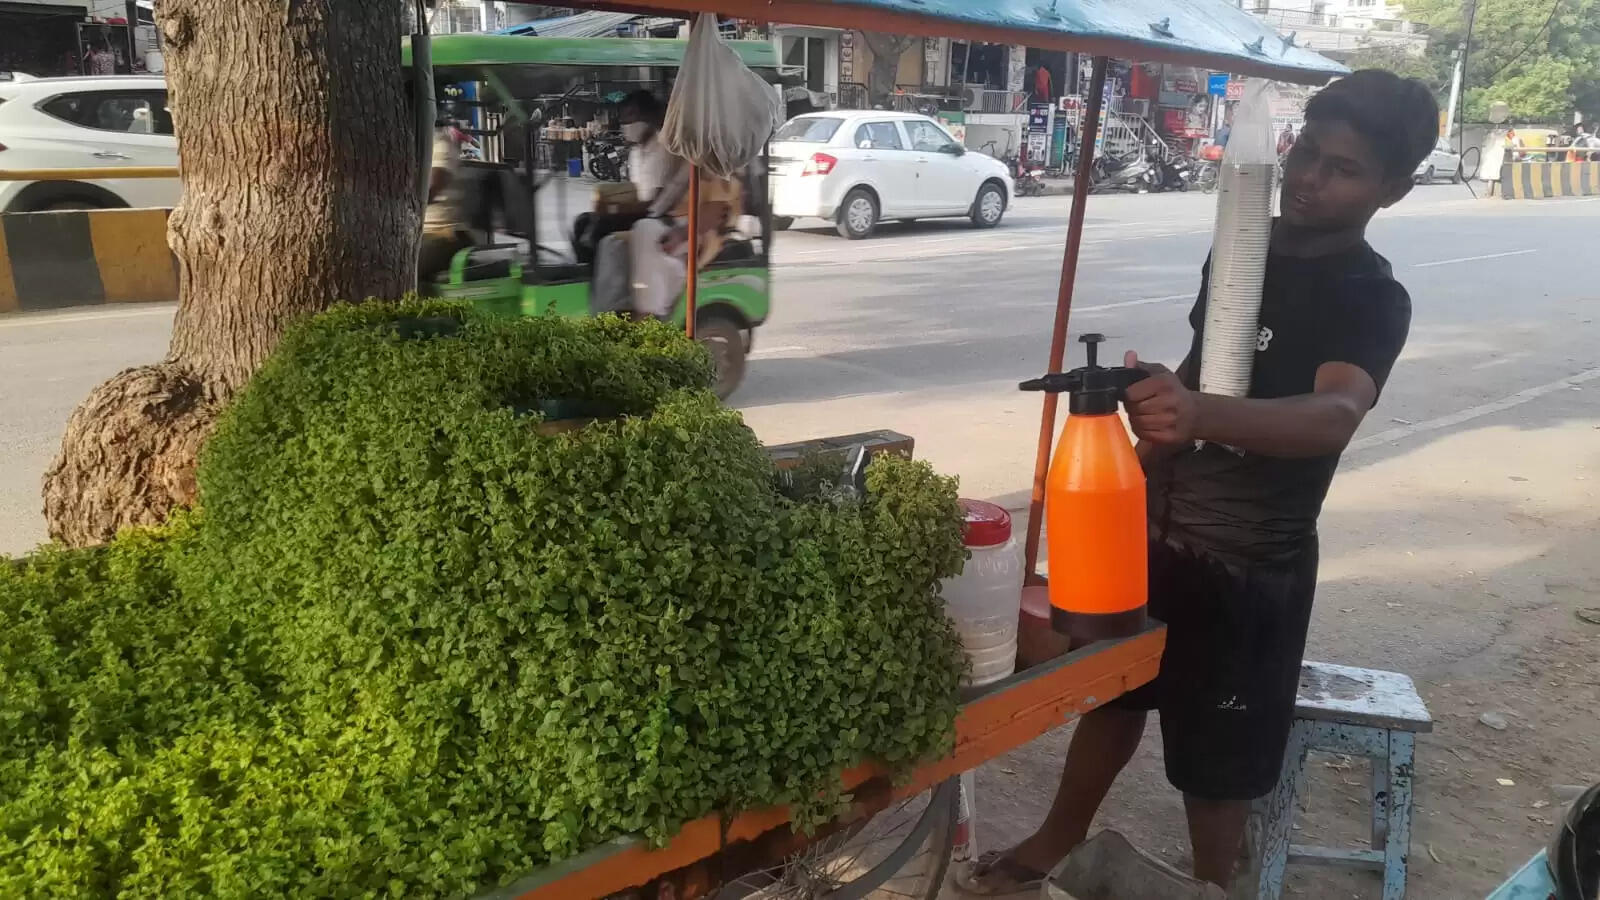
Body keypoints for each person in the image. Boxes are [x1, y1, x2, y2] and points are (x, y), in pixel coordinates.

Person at [957, 69, 1437, 894]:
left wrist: (1201, 414)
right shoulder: (1243, 248)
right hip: (1160, 537)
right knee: (1112, 696)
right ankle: (1050, 845)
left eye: (1344, 168)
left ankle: (1215, 887)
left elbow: (1333, 414)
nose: (1312, 178)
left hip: (1249, 572)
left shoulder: (1369, 295)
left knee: (1215, 767)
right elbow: (1203, 368)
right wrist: (1139, 446)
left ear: (1391, 189)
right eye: (1307, 151)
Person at [417, 121, 470, 288]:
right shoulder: (420, 144)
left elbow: (430, 191)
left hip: (444, 234)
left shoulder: (441, 145)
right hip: (424, 233)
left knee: (400, 265)